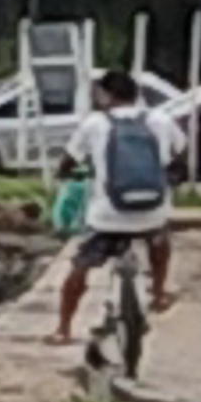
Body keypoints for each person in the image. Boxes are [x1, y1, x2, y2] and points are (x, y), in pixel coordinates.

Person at [54, 70, 176, 360]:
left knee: (79, 266)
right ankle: (159, 292)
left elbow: (68, 161)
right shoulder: (160, 120)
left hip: (108, 216)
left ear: (105, 95)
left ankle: (63, 328)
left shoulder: (94, 124)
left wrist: (65, 175)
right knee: (161, 236)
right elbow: (178, 153)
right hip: (152, 211)